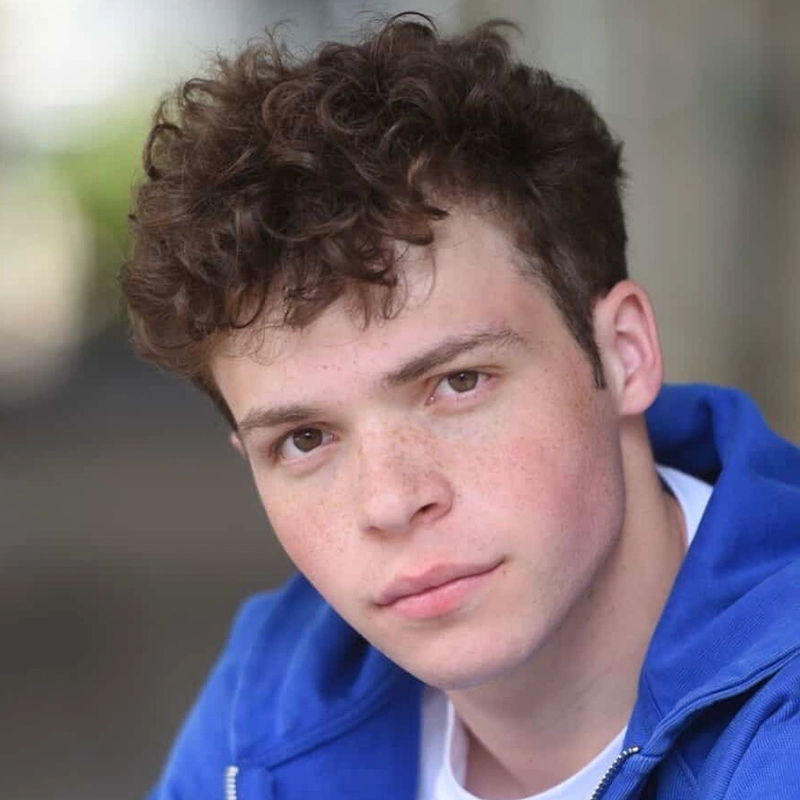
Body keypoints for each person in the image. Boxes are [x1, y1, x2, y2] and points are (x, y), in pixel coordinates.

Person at [120, 13, 800, 800]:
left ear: (626, 351)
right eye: (305, 438)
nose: (391, 500)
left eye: (458, 383)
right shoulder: (274, 695)